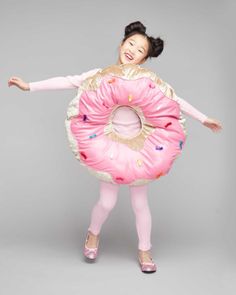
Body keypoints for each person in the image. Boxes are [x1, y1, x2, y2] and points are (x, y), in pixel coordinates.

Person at [8, 21, 222, 273]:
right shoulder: (100, 75)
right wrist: (29, 86)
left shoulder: (147, 82)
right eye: (131, 43)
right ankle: (92, 234)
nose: (132, 49)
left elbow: (174, 100)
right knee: (107, 202)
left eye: (140, 50)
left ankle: (145, 250)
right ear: (121, 44)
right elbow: (68, 81)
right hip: (109, 149)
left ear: (144, 59)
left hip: (140, 151)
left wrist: (203, 118)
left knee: (140, 204)